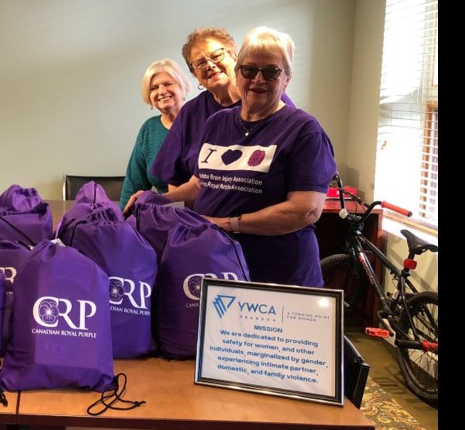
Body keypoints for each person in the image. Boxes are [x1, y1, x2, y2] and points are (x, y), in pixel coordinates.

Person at [163, 27, 336, 287]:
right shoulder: (216, 123)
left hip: (278, 276)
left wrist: (227, 224)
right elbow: (200, 184)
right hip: (218, 267)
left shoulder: (304, 130)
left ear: (286, 79)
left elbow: (306, 210)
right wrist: (156, 199)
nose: (258, 79)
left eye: (271, 72)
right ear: (238, 72)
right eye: (249, 70)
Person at [128, 27, 294, 212]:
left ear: (235, 57)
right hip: (204, 226)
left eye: (216, 55)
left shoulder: (273, 102)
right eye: (200, 63)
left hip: (262, 224)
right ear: (194, 74)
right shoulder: (191, 114)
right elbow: (178, 182)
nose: (210, 65)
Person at [118, 59, 191, 209]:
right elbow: (134, 183)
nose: (161, 91)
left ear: (182, 86)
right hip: (165, 217)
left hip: (206, 217)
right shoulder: (149, 129)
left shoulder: (202, 121)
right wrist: (121, 222)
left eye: (168, 84)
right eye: (154, 88)